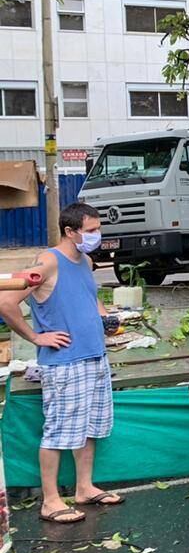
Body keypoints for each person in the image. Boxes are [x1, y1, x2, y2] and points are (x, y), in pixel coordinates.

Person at [0, 203, 122, 524]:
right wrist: (37, 337)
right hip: (65, 362)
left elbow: (90, 297)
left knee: (90, 427)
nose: (97, 235)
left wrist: (106, 319)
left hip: (94, 355)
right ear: (70, 231)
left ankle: (84, 488)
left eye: (98, 229)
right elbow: (7, 302)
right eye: (91, 230)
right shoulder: (48, 261)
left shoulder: (86, 261)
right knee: (59, 432)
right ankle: (50, 501)